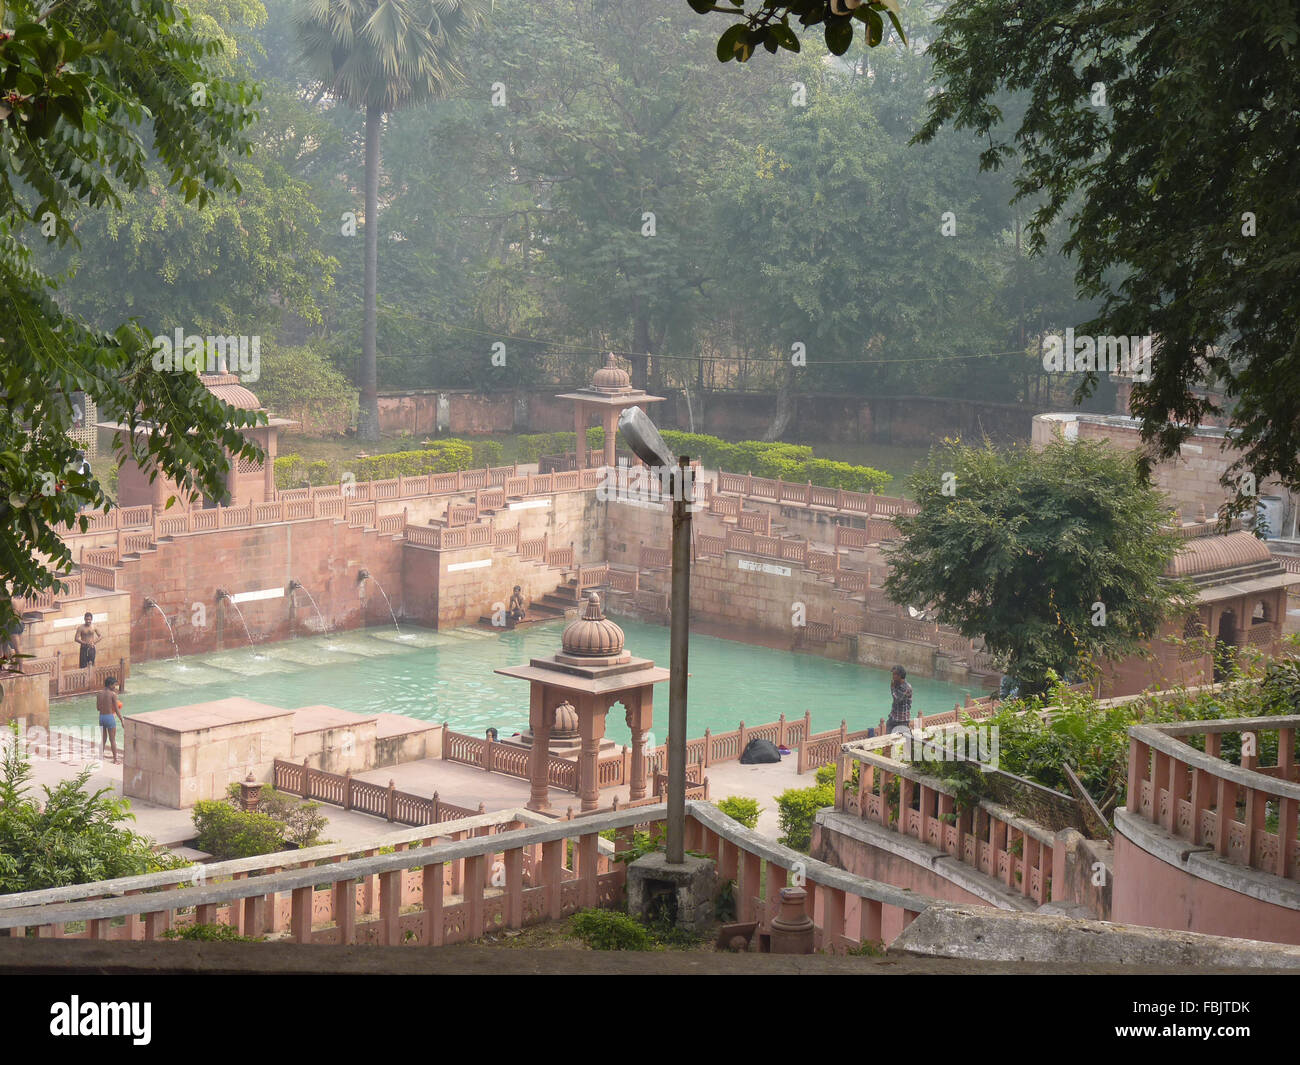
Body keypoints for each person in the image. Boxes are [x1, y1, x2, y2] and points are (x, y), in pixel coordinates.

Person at [97, 676, 125, 764]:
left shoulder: (99, 693)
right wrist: (122, 720)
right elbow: (117, 710)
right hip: (109, 717)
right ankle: (115, 759)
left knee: (103, 739)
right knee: (112, 739)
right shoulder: (113, 694)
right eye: (114, 685)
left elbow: (98, 708)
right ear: (109, 685)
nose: (115, 687)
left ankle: (100, 756)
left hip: (101, 717)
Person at [887, 665, 913, 734]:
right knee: (889, 739)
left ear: (900, 676)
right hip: (893, 717)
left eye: (894, 674)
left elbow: (897, 700)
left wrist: (892, 688)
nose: (893, 676)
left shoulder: (906, 687)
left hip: (902, 720)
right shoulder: (897, 684)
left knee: (902, 741)